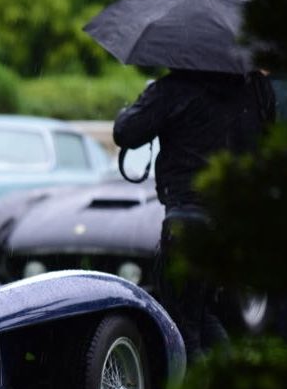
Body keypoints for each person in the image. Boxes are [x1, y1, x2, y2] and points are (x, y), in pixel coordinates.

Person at [114, 69, 276, 364]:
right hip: (231, 222)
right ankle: (227, 388)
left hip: (188, 220)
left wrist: (137, 105)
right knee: (203, 314)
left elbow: (125, 131)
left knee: (184, 325)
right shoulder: (254, 89)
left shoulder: (174, 88)